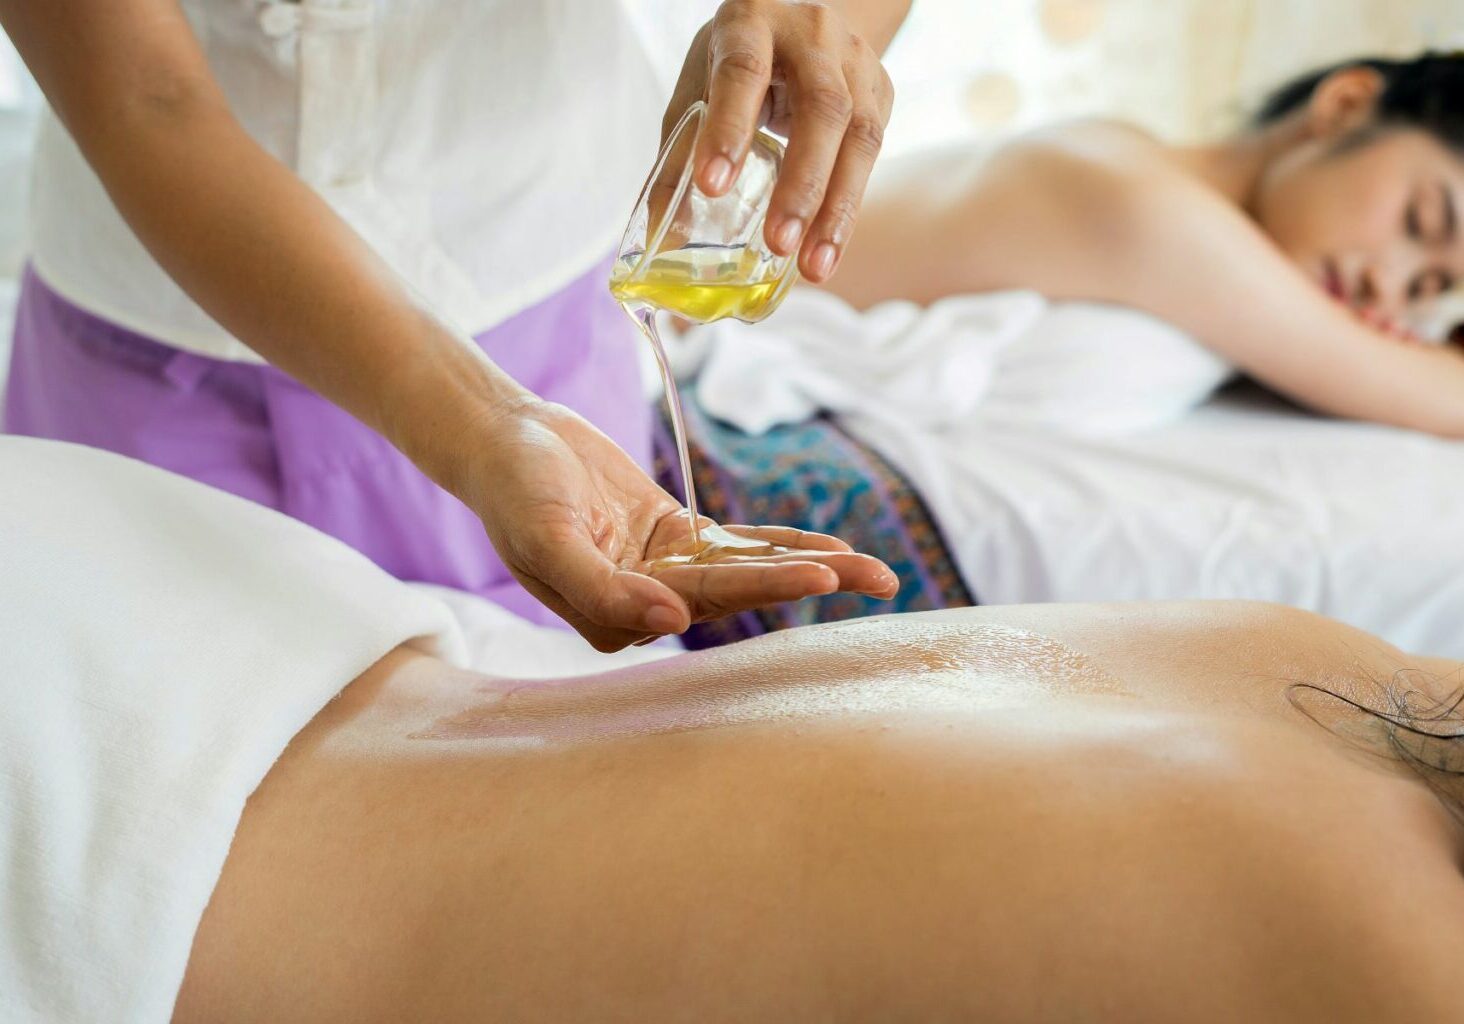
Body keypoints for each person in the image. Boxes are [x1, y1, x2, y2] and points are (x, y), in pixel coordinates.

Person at [0, 0, 910, 652]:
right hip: (156, 356)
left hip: (534, 311)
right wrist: (486, 427)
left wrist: (820, 20)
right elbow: (148, 100)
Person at [825, 52, 1464, 436]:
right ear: (1348, 104)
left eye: (1428, 286)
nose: (1389, 287)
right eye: (1420, 219)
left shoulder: (1133, 154)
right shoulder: (1143, 205)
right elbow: (1426, 394)